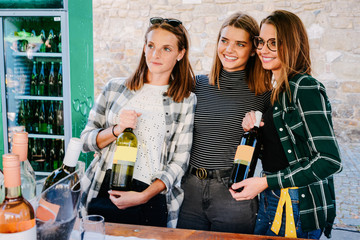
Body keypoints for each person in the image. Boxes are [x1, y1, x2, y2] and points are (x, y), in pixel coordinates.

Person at [229, 10, 342, 239]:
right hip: (273, 197)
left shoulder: (304, 87)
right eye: (261, 42)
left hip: (295, 205)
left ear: (291, 45)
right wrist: (253, 133)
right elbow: (282, 155)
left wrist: (266, 181)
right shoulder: (278, 91)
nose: (262, 49)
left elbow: (329, 160)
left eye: (274, 43)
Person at [80, 17, 196, 228]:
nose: (155, 54)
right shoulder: (114, 89)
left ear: (180, 54)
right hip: (106, 188)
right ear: (144, 48)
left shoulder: (185, 100)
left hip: (152, 196)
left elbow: (179, 162)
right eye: (151, 45)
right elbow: (86, 142)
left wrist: (143, 196)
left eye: (166, 49)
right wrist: (116, 130)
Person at [177, 12, 272, 233]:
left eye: (240, 44)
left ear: (252, 51)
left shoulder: (264, 95)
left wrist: (258, 133)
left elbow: (273, 150)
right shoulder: (197, 85)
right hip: (189, 189)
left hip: (233, 192)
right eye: (224, 40)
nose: (229, 50)